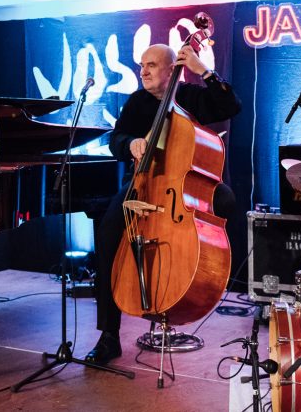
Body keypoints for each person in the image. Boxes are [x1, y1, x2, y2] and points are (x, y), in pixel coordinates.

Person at [84, 43, 241, 365]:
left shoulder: (192, 97)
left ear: (172, 70)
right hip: (145, 183)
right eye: (142, 65)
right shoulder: (137, 102)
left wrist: (203, 71)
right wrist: (131, 143)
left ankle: (195, 274)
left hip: (185, 185)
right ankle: (109, 335)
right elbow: (116, 139)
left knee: (225, 199)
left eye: (152, 65)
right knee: (108, 232)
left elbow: (230, 105)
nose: (143, 71)